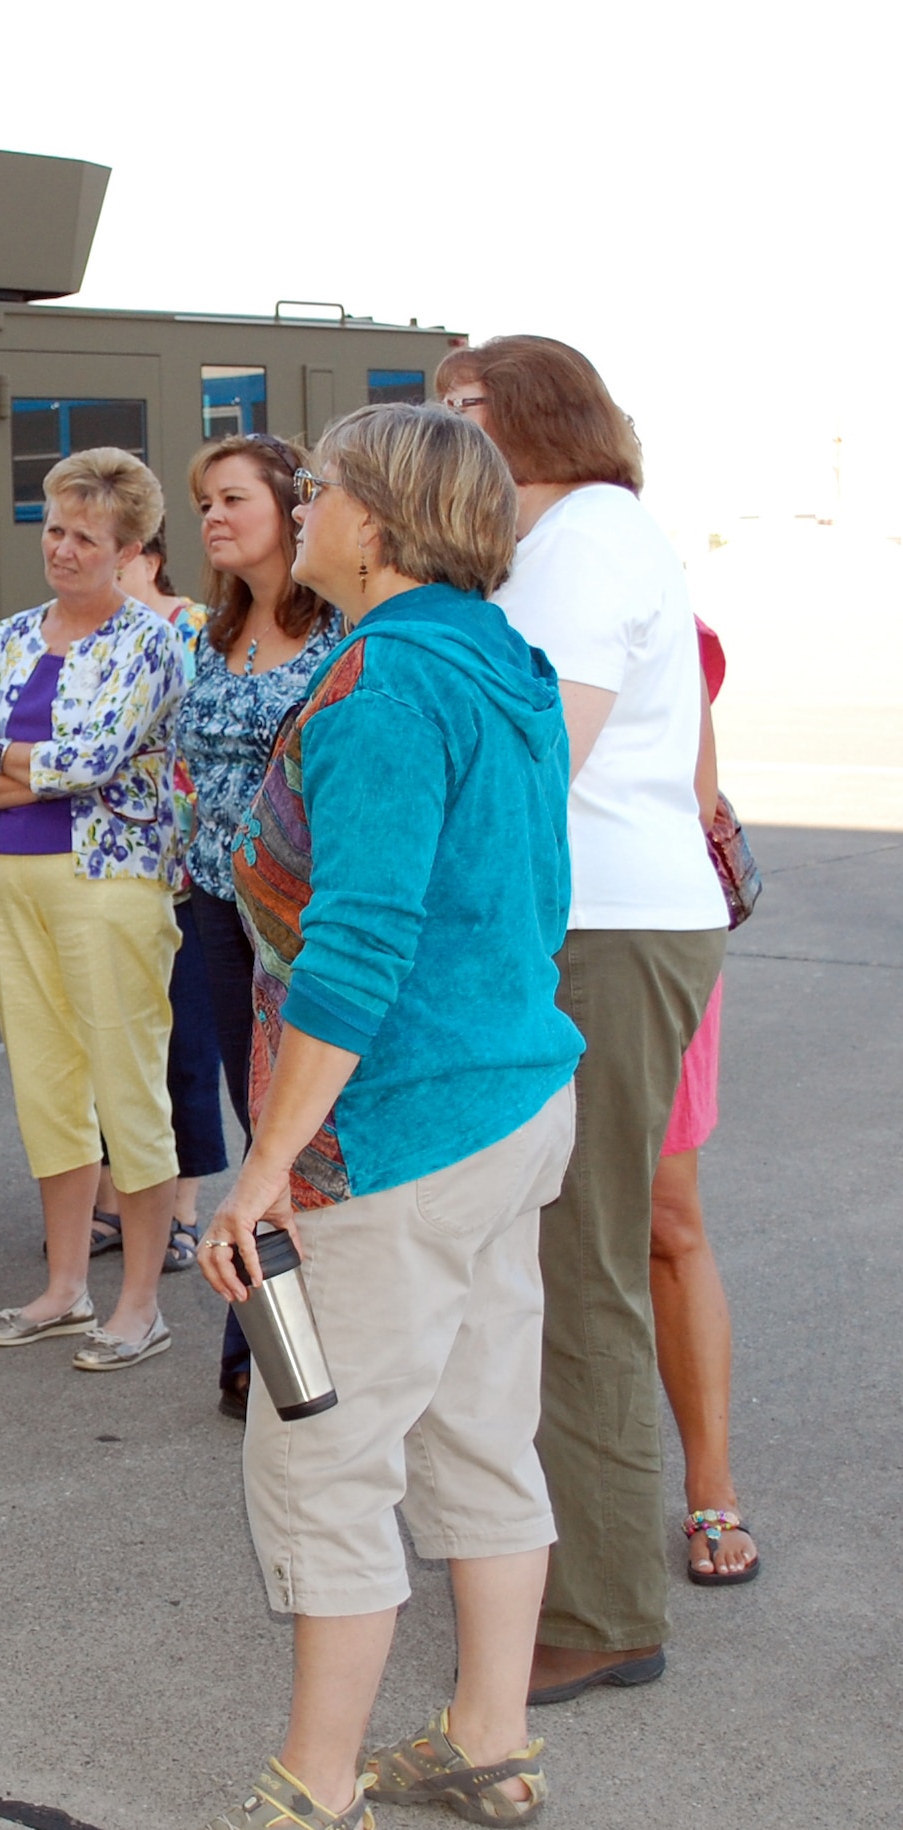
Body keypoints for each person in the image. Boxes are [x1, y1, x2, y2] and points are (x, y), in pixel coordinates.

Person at [159, 403, 584, 1830]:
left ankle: (318, 1789)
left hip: (393, 1142)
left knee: (321, 1450)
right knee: (478, 1421)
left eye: (321, 487)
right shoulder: (499, 662)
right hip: (510, 1106)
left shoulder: (388, 684)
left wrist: (262, 1171)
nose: (304, 501)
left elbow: (354, 951)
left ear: (378, 526)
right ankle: (485, 1736)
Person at [439, 337, 728, 1703]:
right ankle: (573, 1573)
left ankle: (604, 1604)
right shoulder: (573, 540)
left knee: (584, 1262)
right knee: (561, 1258)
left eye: (466, 410)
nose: (448, 433)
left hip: (603, 926)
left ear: (534, 421)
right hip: (604, 919)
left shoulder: (584, 541)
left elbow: (539, 753)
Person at [0, 447, 187, 1372]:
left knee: (127, 1082)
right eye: (55, 529)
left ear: (128, 550)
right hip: (6, 880)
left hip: (109, 885)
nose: (66, 549)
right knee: (45, 1085)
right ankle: (64, 1286)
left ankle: (140, 1303)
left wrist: (13, 770)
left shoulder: (153, 642)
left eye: (88, 537)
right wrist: (26, 774)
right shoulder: (6, 637)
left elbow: (92, 756)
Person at [173, 434, 343, 1417]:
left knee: (293, 1132)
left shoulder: (339, 635)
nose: (211, 518)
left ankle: (266, 1340)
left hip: (299, 925)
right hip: (213, 911)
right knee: (255, 1127)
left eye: (230, 498)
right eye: (202, 503)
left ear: (291, 508)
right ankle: (264, 1324)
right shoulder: (212, 631)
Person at [651, 617, 757, 1584]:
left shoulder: (655, 614)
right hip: (509, 947)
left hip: (644, 933)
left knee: (669, 1220)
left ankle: (710, 1484)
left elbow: (694, 794)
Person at [104, 529, 218, 1276]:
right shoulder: (94, 635)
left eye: (109, 549)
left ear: (147, 555)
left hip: (190, 874)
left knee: (186, 1048)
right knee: (115, 1045)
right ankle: (117, 1199)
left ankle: (182, 1206)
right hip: (116, 869)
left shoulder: (197, 628)